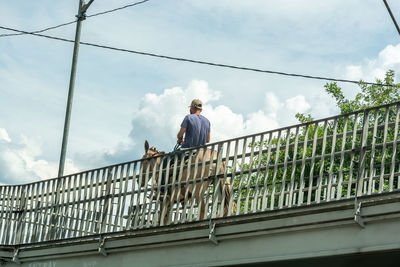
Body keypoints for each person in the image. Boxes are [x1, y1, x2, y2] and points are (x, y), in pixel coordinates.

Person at [160, 99, 211, 191]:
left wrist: (180, 140)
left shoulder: (188, 117)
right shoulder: (207, 121)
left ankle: (162, 190)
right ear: (201, 109)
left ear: (191, 107)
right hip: (202, 152)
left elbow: (180, 134)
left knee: (165, 161)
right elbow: (207, 139)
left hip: (187, 150)